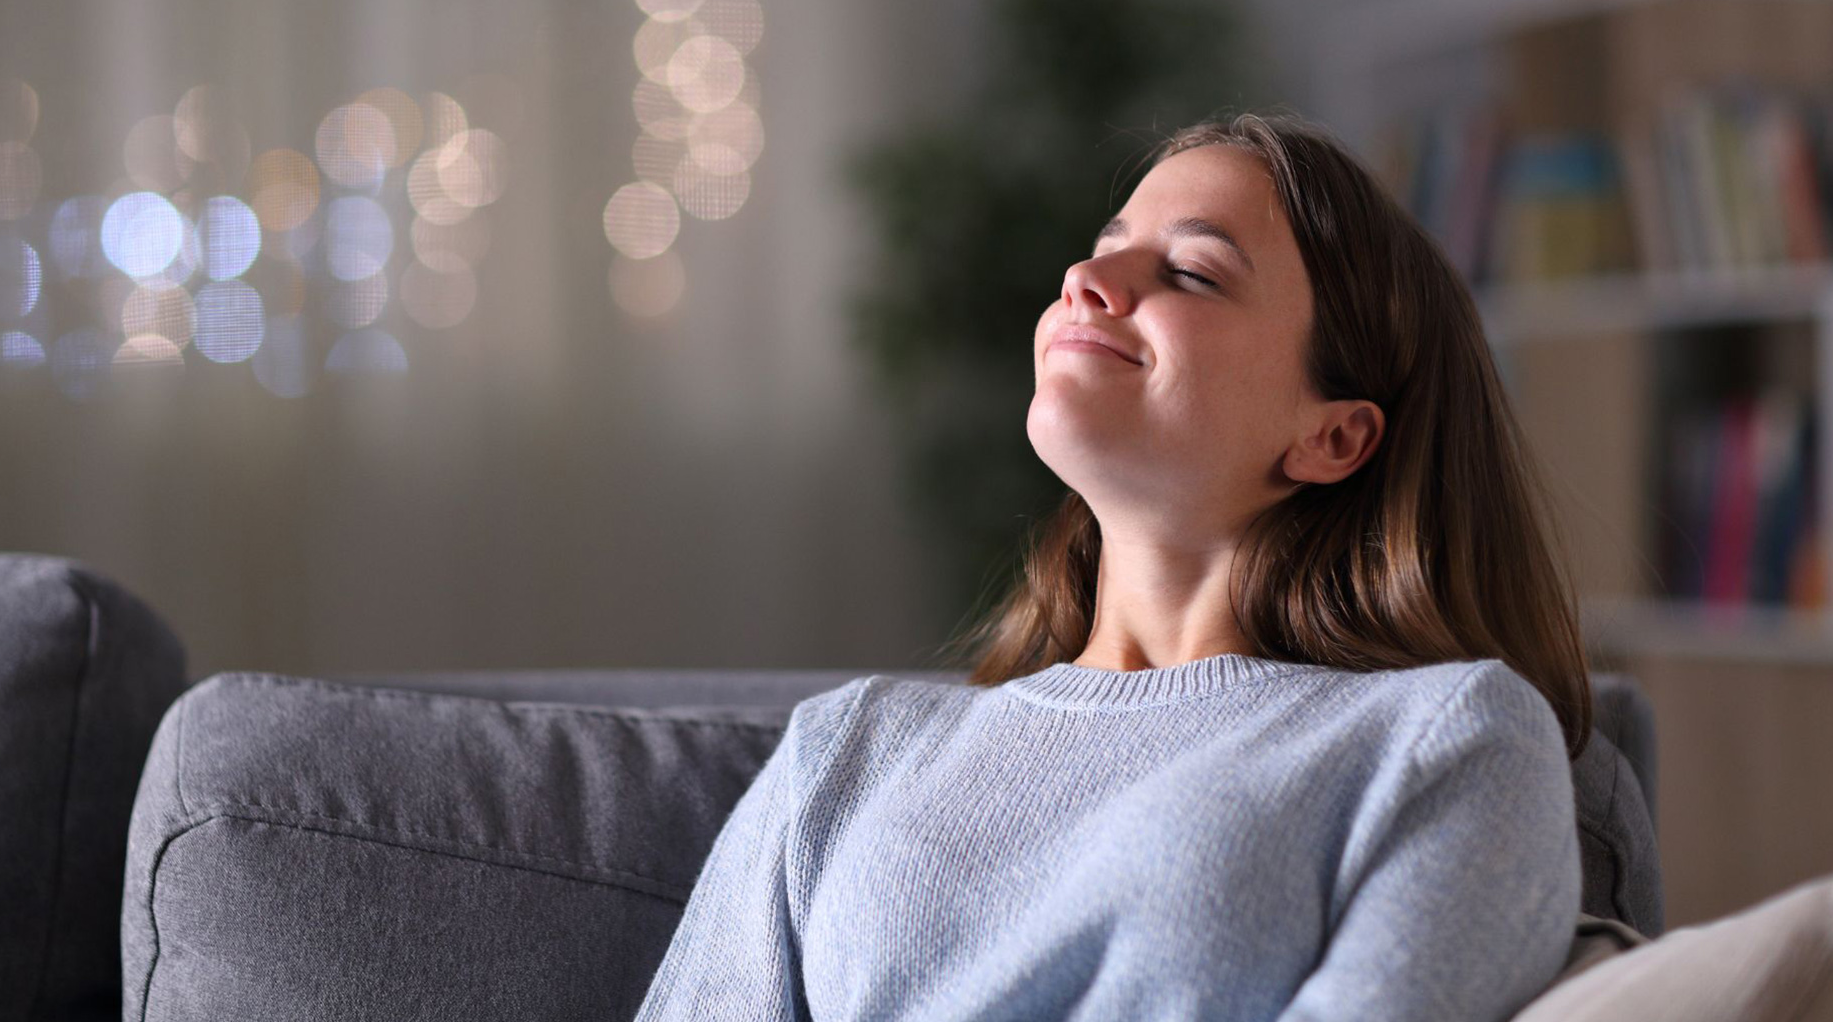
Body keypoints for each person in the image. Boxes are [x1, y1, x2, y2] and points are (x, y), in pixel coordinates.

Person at [634, 110, 1589, 1021]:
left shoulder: (1450, 742)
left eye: (1192, 273)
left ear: (1334, 435)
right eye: (1108, 241)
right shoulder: (847, 749)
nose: (1088, 274)